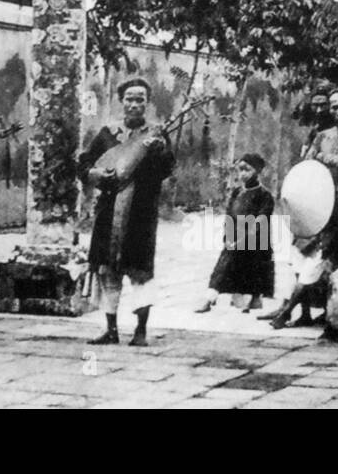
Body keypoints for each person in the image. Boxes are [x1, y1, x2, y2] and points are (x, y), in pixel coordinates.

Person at [79, 78, 176, 347]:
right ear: (121, 101)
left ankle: (140, 331)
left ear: (147, 103)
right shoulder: (107, 134)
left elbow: (167, 169)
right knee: (107, 270)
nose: (134, 104)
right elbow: (85, 163)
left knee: (140, 272)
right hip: (109, 212)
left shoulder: (156, 134)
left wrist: (159, 152)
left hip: (140, 214)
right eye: (129, 99)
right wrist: (96, 173)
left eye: (140, 99)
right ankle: (110, 330)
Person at [268, 85, 338, 329]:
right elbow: (307, 163)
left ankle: (288, 311)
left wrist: (326, 158)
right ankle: (305, 313)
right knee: (302, 254)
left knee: (322, 257)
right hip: (316, 202)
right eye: (334, 107)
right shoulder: (322, 135)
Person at [194, 153, 274, 313]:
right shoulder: (237, 192)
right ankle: (210, 298)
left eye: (247, 170)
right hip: (234, 237)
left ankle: (250, 300)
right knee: (222, 268)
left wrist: (245, 239)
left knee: (251, 273)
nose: (243, 174)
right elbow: (229, 216)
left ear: (257, 171)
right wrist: (228, 237)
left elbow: (261, 220)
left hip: (256, 242)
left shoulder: (264, 196)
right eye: (240, 170)